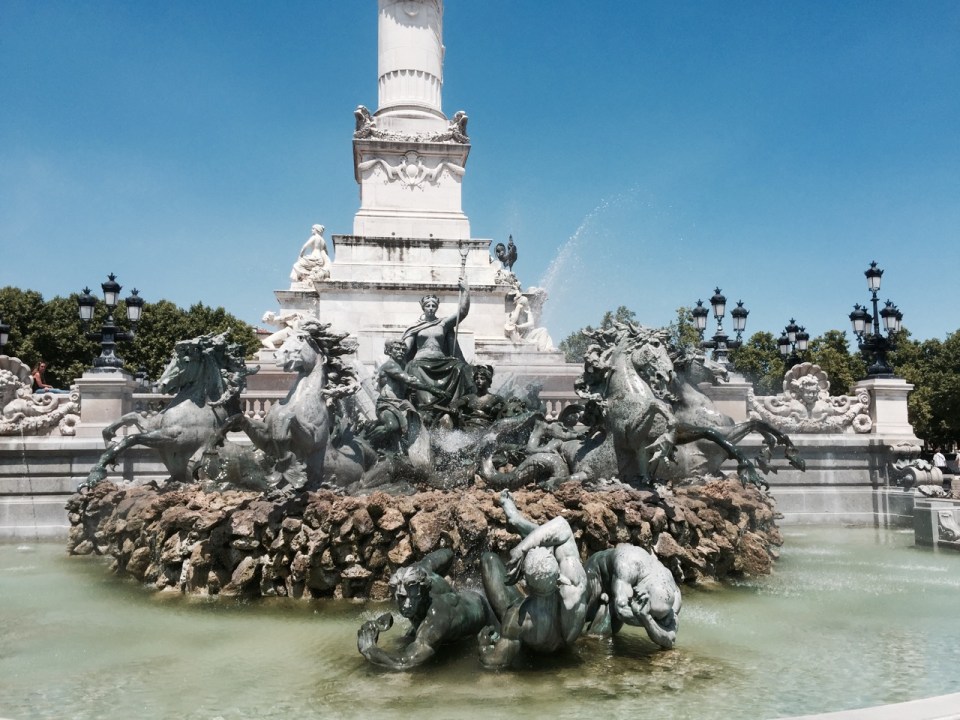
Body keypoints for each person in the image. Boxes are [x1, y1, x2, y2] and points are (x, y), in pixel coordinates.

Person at [478, 491, 589, 668]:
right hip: (565, 636)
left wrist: (483, 647)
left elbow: (493, 663)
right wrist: (523, 549)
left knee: (488, 560)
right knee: (550, 541)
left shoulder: (517, 618)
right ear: (558, 573)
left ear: (526, 583)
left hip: (534, 624)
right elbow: (562, 526)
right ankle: (517, 522)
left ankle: (515, 521)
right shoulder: (575, 584)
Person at [357, 549, 493, 670]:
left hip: (484, 612)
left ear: (423, 592)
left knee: (419, 637)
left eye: (412, 597)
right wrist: (446, 589)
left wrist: (370, 649)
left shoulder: (436, 619)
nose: (406, 604)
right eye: (401, 598)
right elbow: (448, 553)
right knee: (408, 635)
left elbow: (406, 662)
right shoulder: (420, 572)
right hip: (464, 600)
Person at [400, 279, 476, 426]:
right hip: (420, 363)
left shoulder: (443, 323)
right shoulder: (415, 327)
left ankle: (461, 403)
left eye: (433, 305)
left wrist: (465, 290)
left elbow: (462, 312)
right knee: (412, 366)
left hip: (442, 362)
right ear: (423, 307)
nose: (430, 308)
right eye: (427, 305)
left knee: (461, 367)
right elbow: (407, 348)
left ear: (437, 307)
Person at [584, 545, 682, 649]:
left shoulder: (675, 599)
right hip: (598, 572)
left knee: (602, 636)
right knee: (581, 616)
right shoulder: (628, 565)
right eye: (652, 614)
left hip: (622, 591)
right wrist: (648, 621)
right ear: (642, 591)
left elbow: (670, 641)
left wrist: (647, 618)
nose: (656, 619)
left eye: (658, 617)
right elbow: (621, 610)